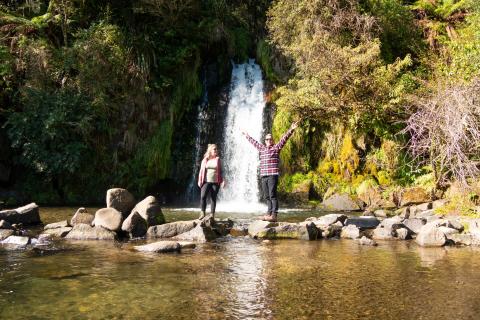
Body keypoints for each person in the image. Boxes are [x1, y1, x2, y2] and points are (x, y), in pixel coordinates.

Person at [242, 121, 298, 222]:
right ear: (265, 141)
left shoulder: (276, 148)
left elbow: (284, 139)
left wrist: (291, 129)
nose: (269, 140)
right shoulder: (262, 148)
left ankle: (274, 215)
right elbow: (254, 142)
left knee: (272, 195)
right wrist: (246, 135)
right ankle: (268, 213)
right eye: (267, 139)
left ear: (272, 140)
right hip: (264, 175)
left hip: (272, 175)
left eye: (270, 139)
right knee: (267, 196)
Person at [197, 144, 224, 219]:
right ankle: (202, 213)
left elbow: (221, 171)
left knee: (213, 198)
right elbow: (201, 171)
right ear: (210, 151)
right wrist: (200, 180)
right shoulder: (205, 160)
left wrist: (223, 181)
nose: (216, 150)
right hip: (206, 181)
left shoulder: (218, 160)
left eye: (216, 149)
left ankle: (212, 215)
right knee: (203, 196)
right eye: (214, 149)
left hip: (215, 182)